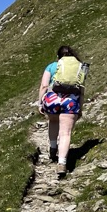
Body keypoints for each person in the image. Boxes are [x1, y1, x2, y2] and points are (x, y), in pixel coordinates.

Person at [38, 45, 88, 180]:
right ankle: (62, 164)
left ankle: (53, 148)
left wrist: (40, 102)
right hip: (71, 102)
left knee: (53, 121)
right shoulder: (81, 67)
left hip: (53, 99)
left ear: (58, 57)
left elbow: (44, 86)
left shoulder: (52, 66)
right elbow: (81, 91)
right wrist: (80, 108)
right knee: (65, 133)